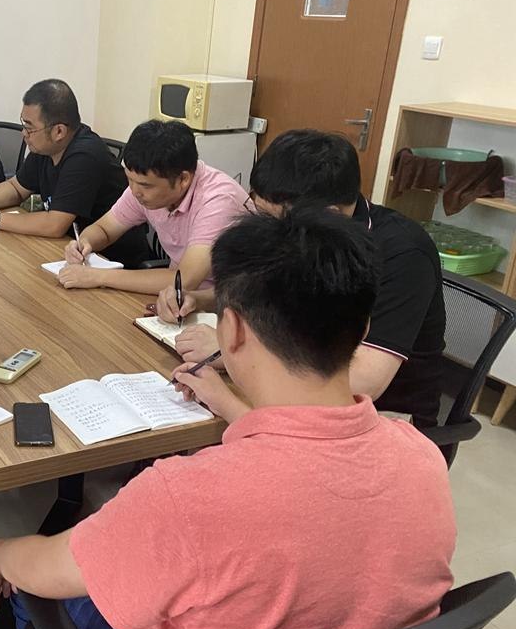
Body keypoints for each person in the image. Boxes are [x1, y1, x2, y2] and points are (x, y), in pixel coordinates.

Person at [0, 209, 455, 629]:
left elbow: (54, 570)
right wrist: (224, 401)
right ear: (364, 329)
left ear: (233, 331)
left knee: (32, 588)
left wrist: (1, 551)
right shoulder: (422, 458)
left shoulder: (185, 495)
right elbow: (308, 466)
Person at [165, 129, 445, 430]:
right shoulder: (298, 234)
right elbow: (268, 299)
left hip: (379, 421)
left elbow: (365, 381)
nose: (266, 230)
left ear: (330, 215)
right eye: (258, 211)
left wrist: (231, 354)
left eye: (275, 218)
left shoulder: (403, 254)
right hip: (288, 389)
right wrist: (202, 300)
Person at [0, 79, 151, 267]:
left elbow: (54, 224)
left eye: (29, 127)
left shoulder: (85, 155)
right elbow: (16, 188)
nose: (24, 134)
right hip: (69, 250)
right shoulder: (45, 148)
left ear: (59, 131)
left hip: (112, 261)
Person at [57, 118, 248, 293]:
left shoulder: (218, 201)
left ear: (183, 179)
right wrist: (84, 243)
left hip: (224, 305)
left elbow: (184, 280)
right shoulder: (143, 187)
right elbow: (104, 230)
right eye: (129, 179)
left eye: (145, 185)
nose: (135, 191)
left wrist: (99, 277)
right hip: (174, 297)